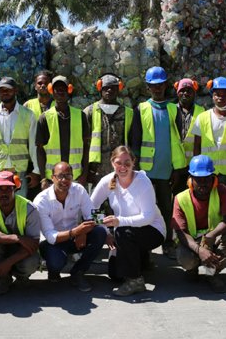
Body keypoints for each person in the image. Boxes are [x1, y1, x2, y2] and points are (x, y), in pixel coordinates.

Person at [90, 146, 166, 297]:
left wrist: (119, 221)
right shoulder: (107, 181)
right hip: (125, 231)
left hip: (152, 230)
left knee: (124, 232)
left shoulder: (143, 182)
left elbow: (148, 217)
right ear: (112, 162)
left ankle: (135, 280)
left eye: (127, 163)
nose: (123, 167)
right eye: (118, 163)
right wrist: (105, 232)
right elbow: (91, 207)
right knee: (115, 274)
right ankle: (141, 259)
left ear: (133, 162)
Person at [129, 66, 187, 258]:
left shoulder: (173, 109)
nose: (157, 88)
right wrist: (136, 169)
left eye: (160, 85)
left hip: (166, 170)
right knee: (144, 208)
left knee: (166, 207)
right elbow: (135, 141)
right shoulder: (142, 109)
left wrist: (177, 169)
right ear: (148, 87)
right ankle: (145, 246)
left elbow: (178, 140)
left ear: (165, 85)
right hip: (146, 170)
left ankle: (168, 242)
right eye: (153, 86)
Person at [34, 162, 107, 292]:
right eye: (60, 176)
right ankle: (53, 271)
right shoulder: (41, 201)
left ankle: (78, 272)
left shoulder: (79, 190)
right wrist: (77, 232)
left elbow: (94, 214)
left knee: (100, 232)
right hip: (51, 242)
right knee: (56, 262)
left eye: (68, 176)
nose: (64, 180)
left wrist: (102, 232)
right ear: (53, 178)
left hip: (74, 237)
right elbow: (51, 237)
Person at [172, 155, 226, 293]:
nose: (203, 183)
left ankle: (211, 273)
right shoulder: (181, 198)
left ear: (213, 179)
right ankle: (192, 269)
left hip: (213, 238)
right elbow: (181, 232)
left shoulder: (221, 190)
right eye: (198, 179)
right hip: (192, 242)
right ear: (191, 180)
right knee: (186, 259)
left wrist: (211, 236)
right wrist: (199, 250)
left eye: (207, 179)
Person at [0, 170, 42, 295]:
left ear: (15, 188)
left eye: (8, 189)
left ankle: (21, 277)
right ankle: (3, 278)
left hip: (21, 250)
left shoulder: (29, 208)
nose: (4, 193)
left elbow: (34, 243)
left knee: (32, 261)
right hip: (1, 246)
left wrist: (8, 263)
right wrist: (17, 238)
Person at [0, 76, 40, 198]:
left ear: (16, 91)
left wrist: (36, 171)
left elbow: (34, 146)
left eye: (8, 89)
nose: (5, 92)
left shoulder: (28, 115)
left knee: (20, 206)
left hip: (19, 172)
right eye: (2, 90)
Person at [191, 77, 226, 200]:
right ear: (212, 96)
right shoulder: (202, 118)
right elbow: (196, 147)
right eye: (217, 94)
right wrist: (194, 171)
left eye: (225, 94)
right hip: (206, 174)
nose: (221, 97)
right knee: (208, 210)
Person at [37, 75, 91, 188]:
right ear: (52, 91)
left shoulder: (80, 116)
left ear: (69, 90)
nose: (60, 91)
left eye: (63, 88)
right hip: (53, 179)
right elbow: (40, 150)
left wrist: (84, 175)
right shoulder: (45, 118)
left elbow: (86, 147)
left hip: (75, 178)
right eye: (57, 89)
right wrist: (43, 179)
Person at [83, 73, 133, 186]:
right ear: (100, 88)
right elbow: (83, 142)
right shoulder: (89, 111)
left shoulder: (127, 113)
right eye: (106, 87)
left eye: (113, 87)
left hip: (120, 167)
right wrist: (86, 169)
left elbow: (132, 141)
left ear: (119, 89)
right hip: (96, 170)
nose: (109, 90)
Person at [173, 78, 205, 195]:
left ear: (194, 93)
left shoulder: (201, 112)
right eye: (182, 90)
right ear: (177, 92)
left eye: (189, 90)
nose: (185, 93)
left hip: (193, 165)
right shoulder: (171, 110)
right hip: (175, 165)